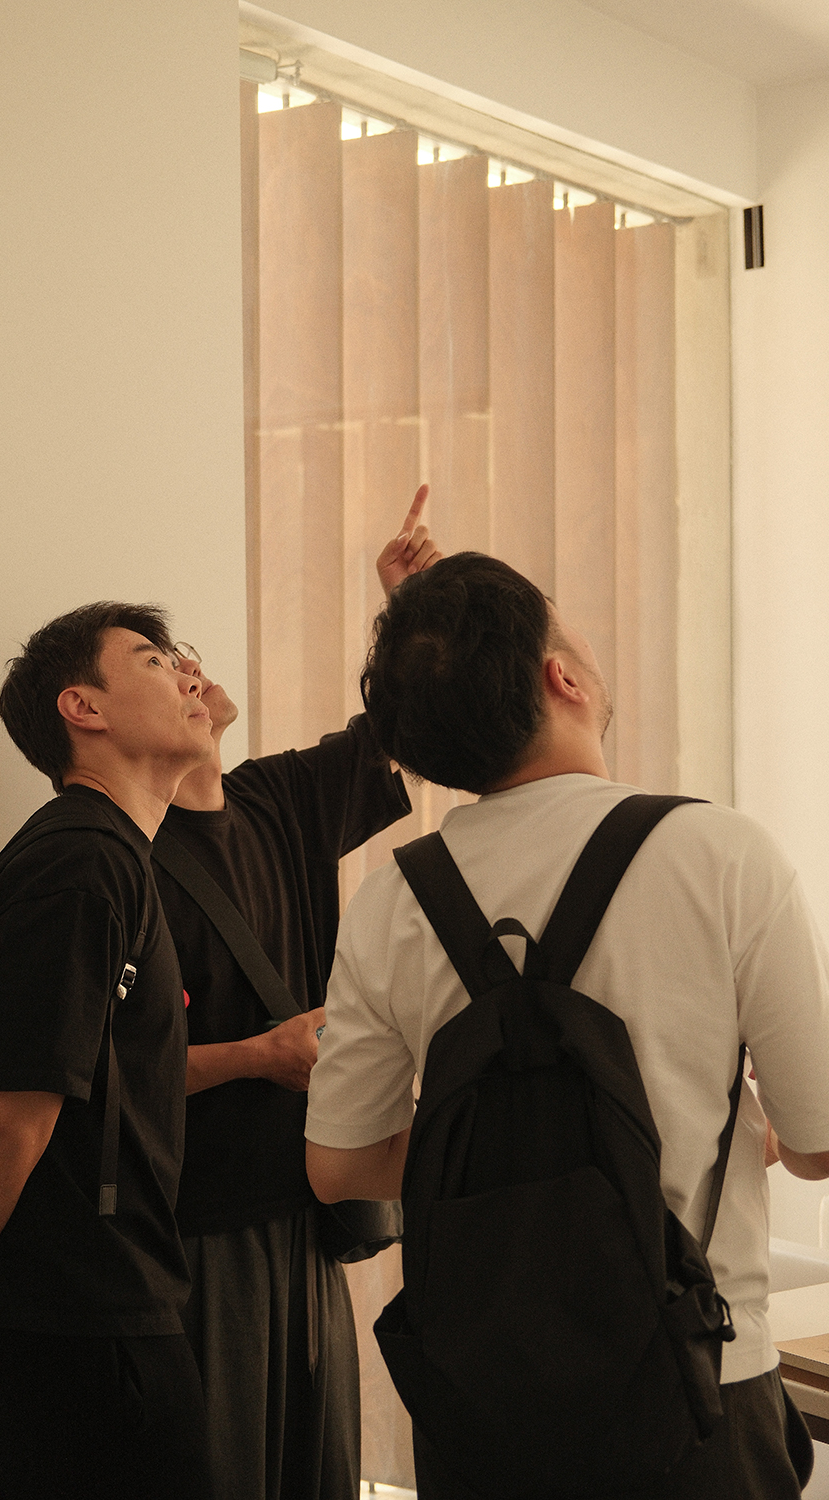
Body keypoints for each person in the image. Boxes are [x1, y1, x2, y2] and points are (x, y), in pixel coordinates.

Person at [305, 551, 829, 1500]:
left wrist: (508, 1144)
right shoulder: (719, 854)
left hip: (482, 1406)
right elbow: (820, 1141)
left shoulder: (392, 901)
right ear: (565, 677)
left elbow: (340, 1167)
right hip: (698, 1385)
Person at [150, 491, 440, 1500]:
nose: (189, 672)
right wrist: (258, 1057)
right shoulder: (110, 860)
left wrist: (408, 606)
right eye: (159, 666)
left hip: (312, 1212)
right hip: (199, 1229)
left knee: (322, 1472)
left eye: (185, 655)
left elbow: (401, 729)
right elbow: (94, 1072)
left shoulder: (274, 795)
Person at [0, 601, 215, 1500]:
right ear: (82, 708)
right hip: (80, 1331)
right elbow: (12, 1113)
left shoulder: (105, 857)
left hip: (88, 1319)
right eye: (153, 660)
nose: (188, 674)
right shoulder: (80, 861)